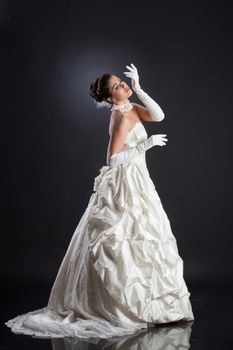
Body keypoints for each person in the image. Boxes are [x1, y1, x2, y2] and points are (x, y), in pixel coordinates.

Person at [5, 63, 194, 339]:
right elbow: (113, 159)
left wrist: (139, 87)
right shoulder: (119, 116)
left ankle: (151, 305)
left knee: (145, 236)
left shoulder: (131, 108)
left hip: (140, 181)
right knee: (120, 240)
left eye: (122, 81)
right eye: (118, 86)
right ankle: (122, 306)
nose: (123, 85)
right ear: (109, 98)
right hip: (124, 183)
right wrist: (145, 145)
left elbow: (159, 115)